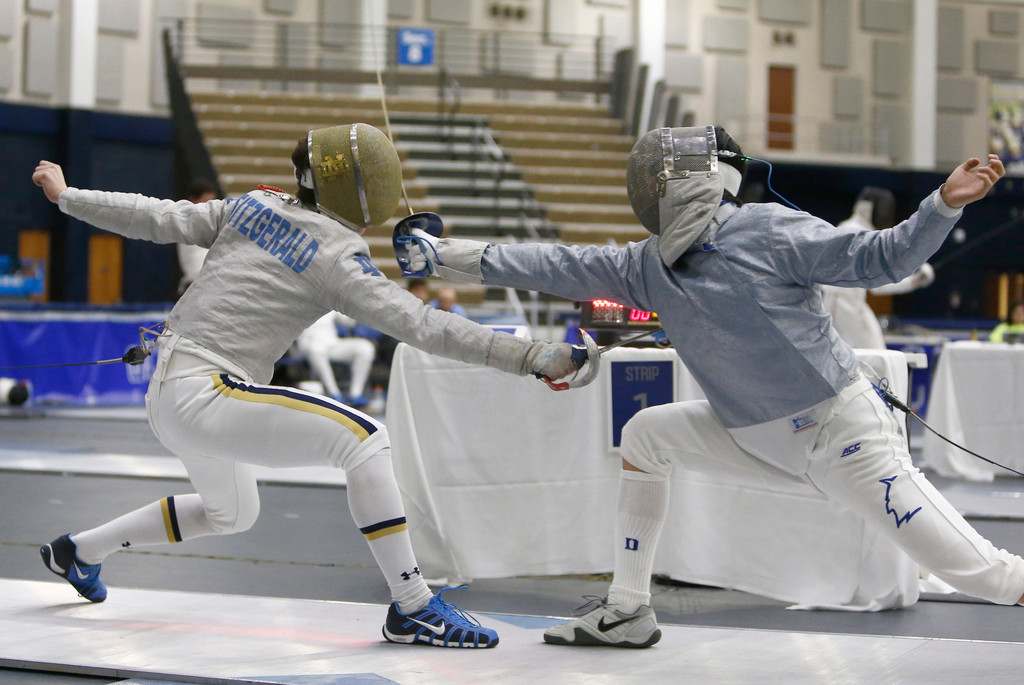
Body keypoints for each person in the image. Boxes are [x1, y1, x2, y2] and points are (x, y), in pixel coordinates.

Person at [403, 125, 1024, 647]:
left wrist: (943, 203)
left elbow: (883, 259)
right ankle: (627, 610)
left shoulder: (770, 230)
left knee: (981, 574)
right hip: (755, 437)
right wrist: (442, 254)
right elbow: (553, 263)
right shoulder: (646, 265)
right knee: (647, 435)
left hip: (843, 438)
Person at [31, 122, 577, 649]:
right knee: (363, 439)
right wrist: (529, 356)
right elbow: (425, 324)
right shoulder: (337, 258)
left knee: (231, 513)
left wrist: (66, 195)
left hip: (172, 391)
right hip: (206, 391)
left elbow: (156, 216)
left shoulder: (253, 205)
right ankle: (413, 606)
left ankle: (78, 552)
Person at [818, 186, 935, 349]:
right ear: (871, 209)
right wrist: (913, 282)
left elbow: (874, 283)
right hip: (843, 304)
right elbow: (877, 285)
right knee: (877, 355)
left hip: (840, 302)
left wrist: (913, 281)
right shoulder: (857, 232)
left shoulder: (847, 227)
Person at [295, 311, 376, 407]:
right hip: (308, 344)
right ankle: (333, 394)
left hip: (331, 344)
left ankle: (355, 395)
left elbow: (349, 322)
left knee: (365, 347)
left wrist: (357, 308)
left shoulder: (329, 301)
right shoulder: (299, 302)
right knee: (316, 349)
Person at [176, 178, 218, 296]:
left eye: (213, 202)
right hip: (195, 282)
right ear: (193, 200)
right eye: (206, 202)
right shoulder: (185, 219)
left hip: (211, 281)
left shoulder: (212, 221)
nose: (210, 207)